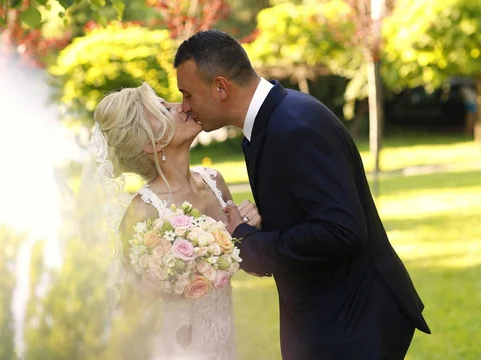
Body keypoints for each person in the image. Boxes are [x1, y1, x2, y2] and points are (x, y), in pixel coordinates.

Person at [174, 29, 431, 360]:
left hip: (353, 322)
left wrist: (248, 243)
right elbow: (304, 214)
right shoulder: (270, 123)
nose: (184, 106)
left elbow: (342, 229)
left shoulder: (295, 127)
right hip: (325, 318)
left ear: (221, 87)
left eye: (188, 94)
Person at [92, 82, 261, 359]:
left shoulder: (214, 181)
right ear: (150, 142)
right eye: (164, 108)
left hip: (225, 342)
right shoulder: (143, 211)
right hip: (181, 348)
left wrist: (252, 229)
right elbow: (132, 308)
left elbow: (252, 265)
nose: (181, 105)